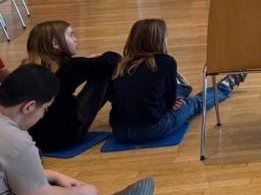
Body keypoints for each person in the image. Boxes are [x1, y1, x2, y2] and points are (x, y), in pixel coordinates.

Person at [0, 64, 156, 195]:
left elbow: (13, 170)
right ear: (29, 107)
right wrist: (84, 192)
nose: (42, 115)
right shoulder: (17, 142)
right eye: (45, 109)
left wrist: (53, 175)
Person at [109, 19, 241, 144]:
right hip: (152, 129)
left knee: (170, 91)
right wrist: (173, 103)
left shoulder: (121, 65)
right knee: (194, 103)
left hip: (119, 132)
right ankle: (226, 85)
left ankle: (184, 89)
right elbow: (170, 102)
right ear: (159, 40)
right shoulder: (165, 61)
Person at [23, 21, 121, 150]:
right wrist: (95, 60)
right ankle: (122, 115)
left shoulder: (25, 69)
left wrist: (87, 63)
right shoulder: (70, 66)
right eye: (71, 35)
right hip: (66, 136)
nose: (76, 39)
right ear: (55, 44)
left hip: (33, 137)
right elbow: (113, 60)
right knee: (106, 73)